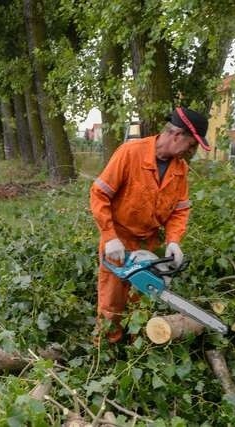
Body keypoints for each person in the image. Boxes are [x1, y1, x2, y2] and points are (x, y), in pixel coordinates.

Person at [89, 106, 211, 344]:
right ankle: (106, 348)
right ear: (177, 135)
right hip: (118, 238)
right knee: (112, 300)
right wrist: (109, 235)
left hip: (149, 240)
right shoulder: (130, 153)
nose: (191, 151)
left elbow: (180, 209)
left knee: (141, 297)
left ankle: (137, 347)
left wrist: (173, 241)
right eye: (191, 144)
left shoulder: (180, 169)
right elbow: (99, 195)